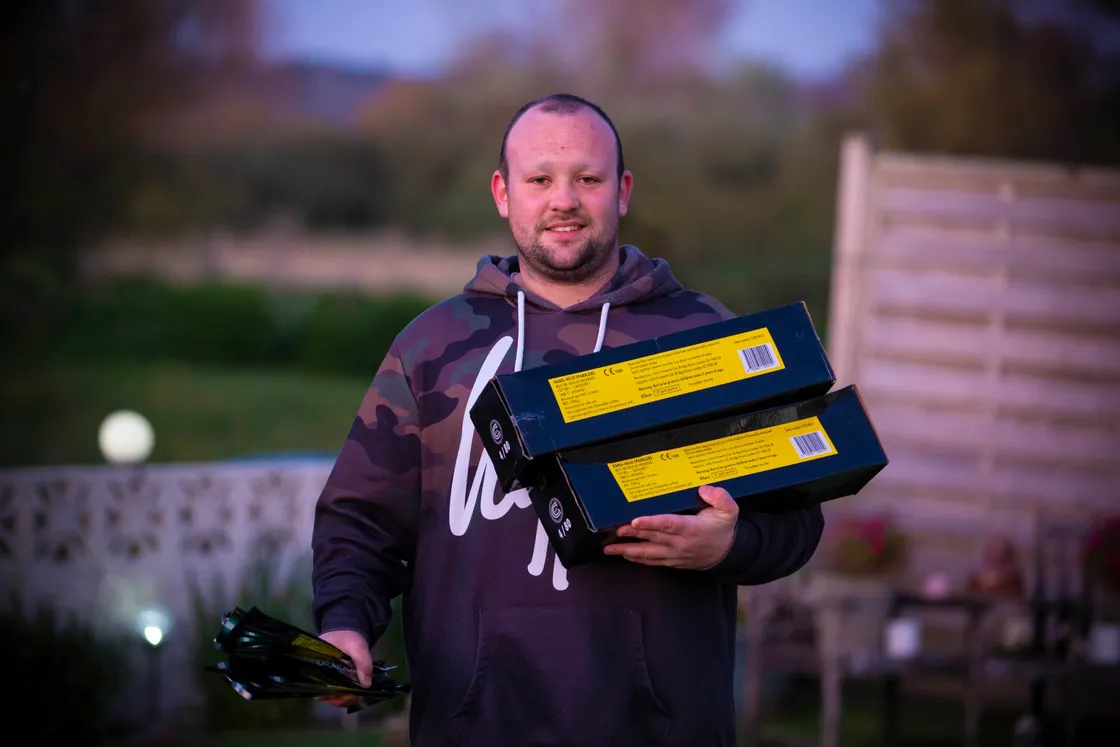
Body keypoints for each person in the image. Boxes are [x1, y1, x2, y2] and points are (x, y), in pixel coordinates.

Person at [310, 93, 825, 747]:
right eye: (540, 179)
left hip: (660, 729)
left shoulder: (705, 339)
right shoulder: (433, 345)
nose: (565, 200)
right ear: (503, 192)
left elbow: (799, 518)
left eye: (588, 178)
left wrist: (728, 545)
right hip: (474, 726)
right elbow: (360, 520)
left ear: (623, 190)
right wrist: (345, 623)